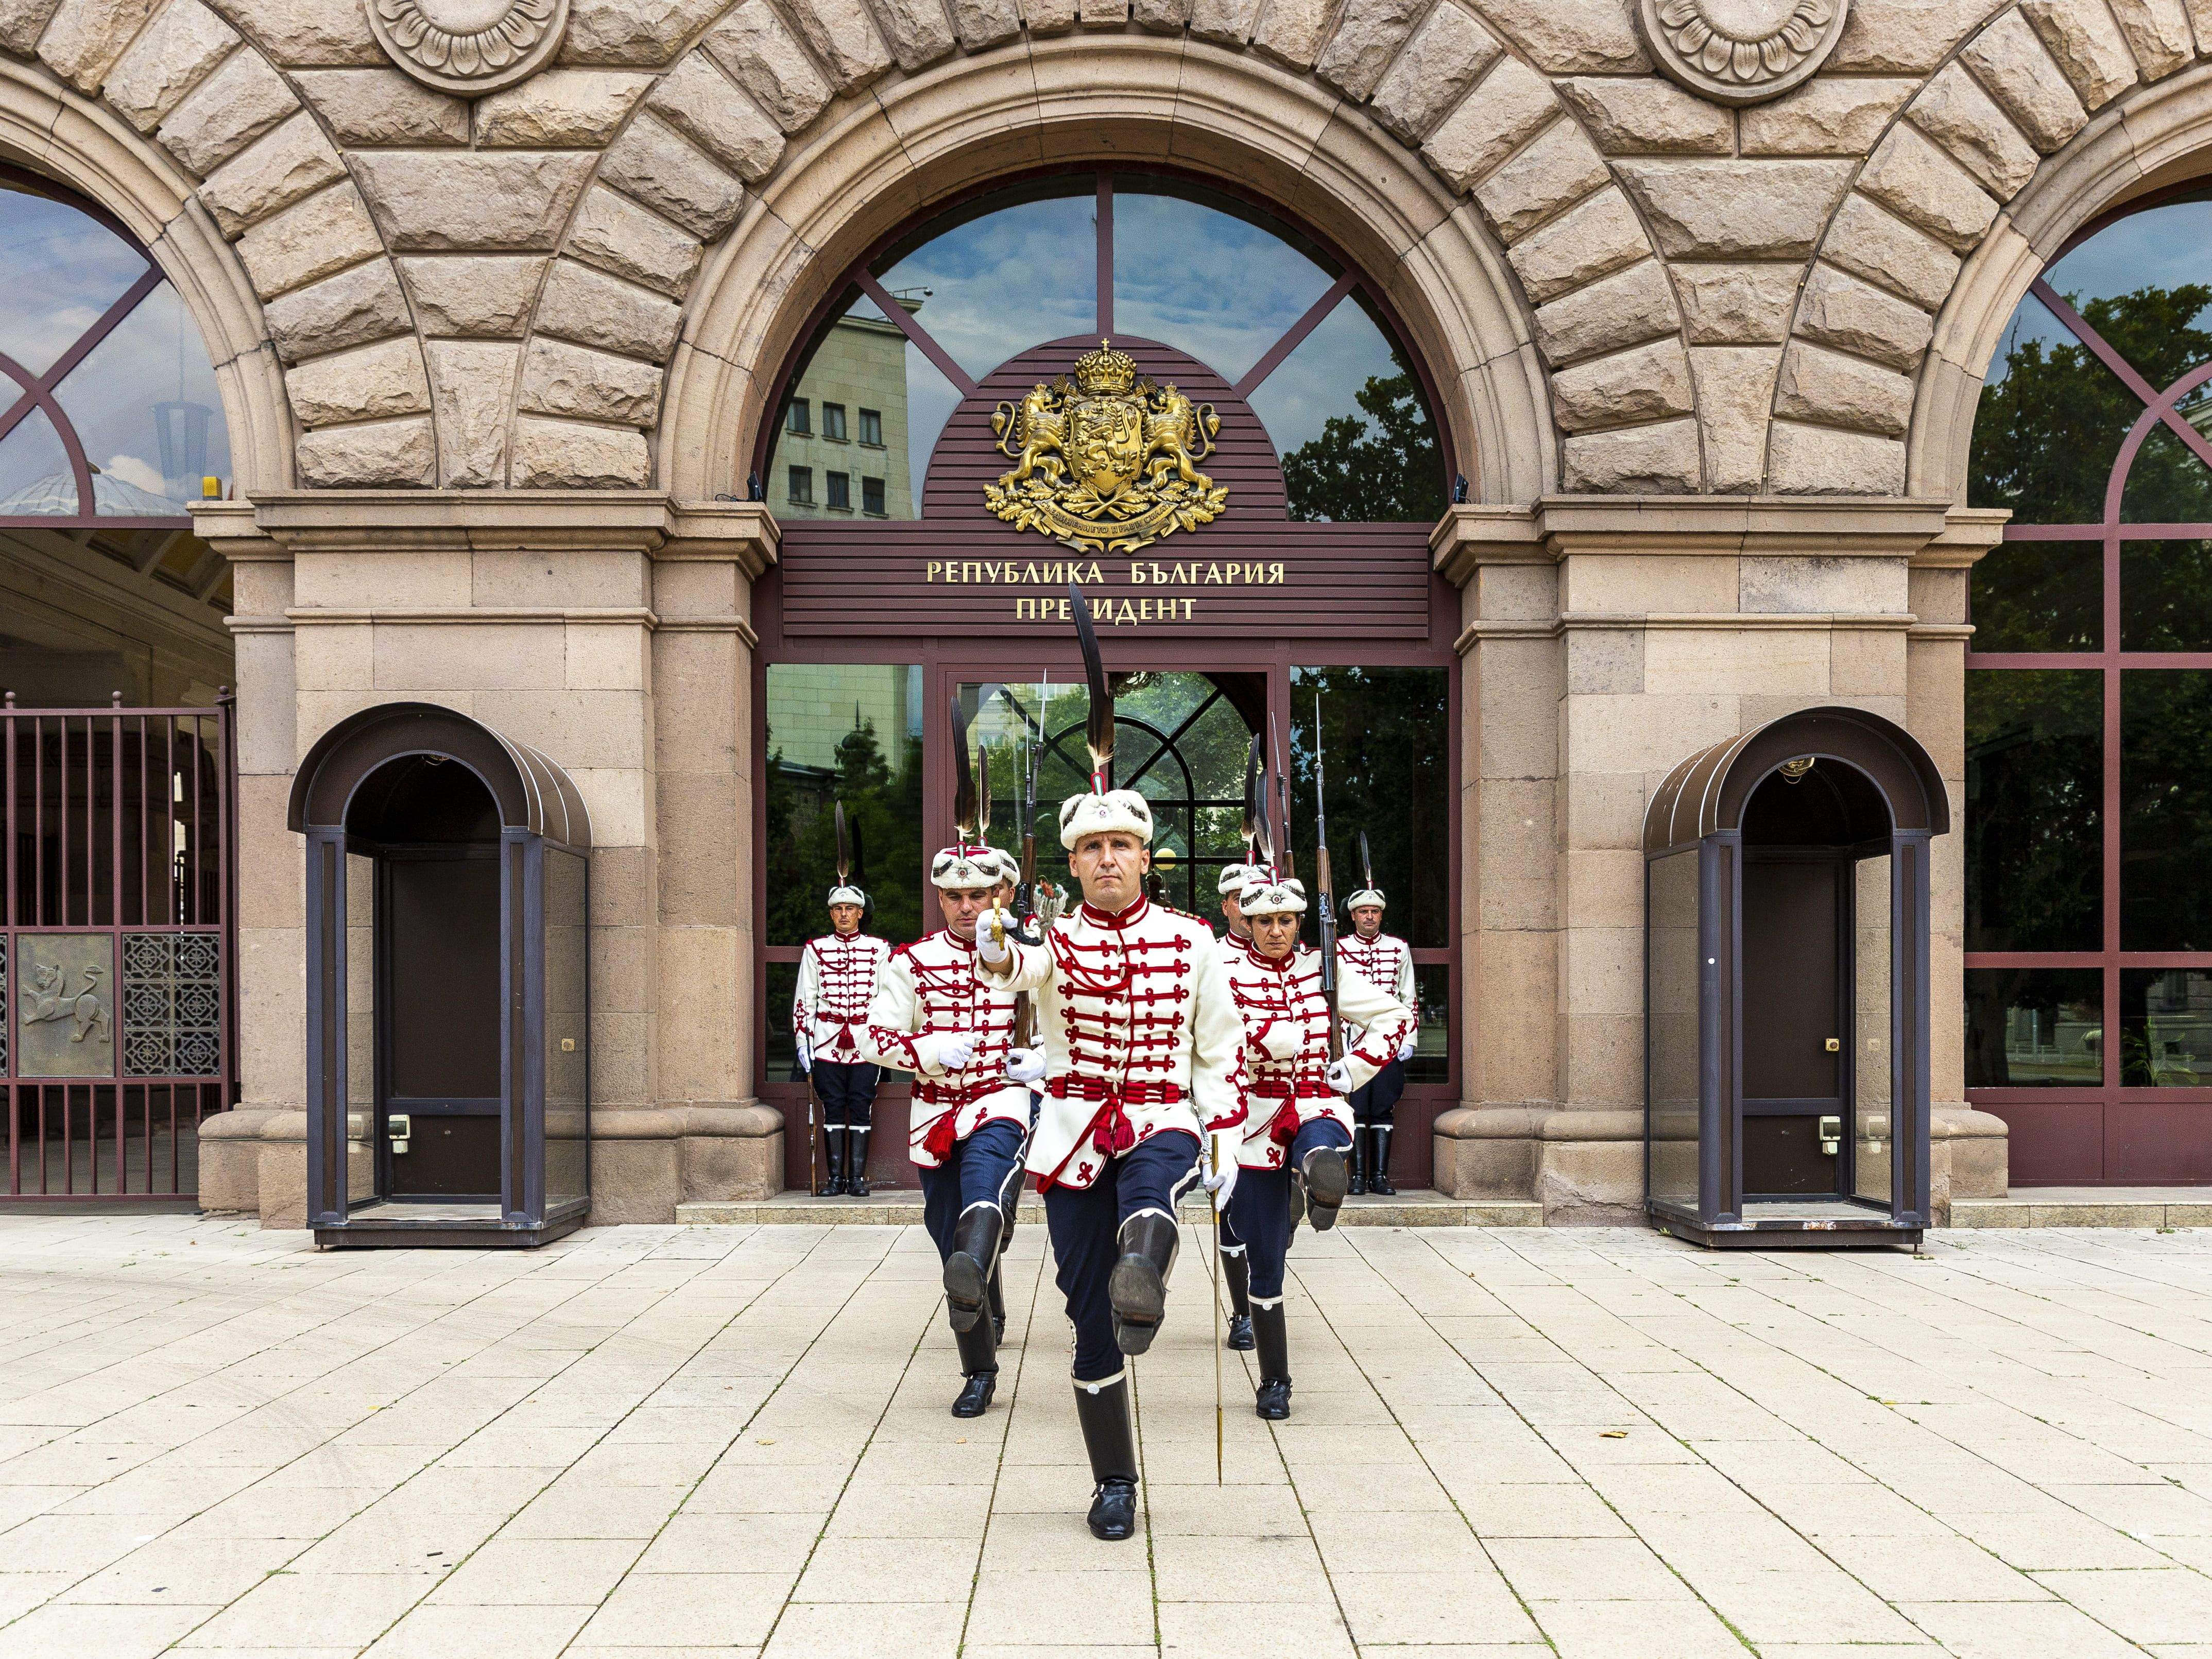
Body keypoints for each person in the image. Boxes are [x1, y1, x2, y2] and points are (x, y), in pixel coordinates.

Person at [975, 786, 1243, 1542]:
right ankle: (1113, 1481)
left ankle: (1145, 1275)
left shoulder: (1194, 942)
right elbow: (1011, 967)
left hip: (1161, 1116)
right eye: (1091, 849)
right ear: (1072, 862)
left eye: (1120, 845)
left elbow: (1219, 1051)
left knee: (1151, 1187)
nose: (1106, 859)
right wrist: (994, 944)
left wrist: (1223, 1136)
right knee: (1087, 1320)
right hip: (1073, 1133)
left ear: (1143, 857)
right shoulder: (1053, 942)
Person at [1219, 867, 1415, 1417]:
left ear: (1300, 921)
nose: (1275, 930)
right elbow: (1202, 1038)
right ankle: (1274, 1379)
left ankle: (1321, 1173)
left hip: (1314, 1098)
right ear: (1247, 921)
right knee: (1264, 1259)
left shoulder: (1325, 968)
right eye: (1264, 920)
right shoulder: (1223, 968)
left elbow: (1395, 1015)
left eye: (1285, 920)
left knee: (1321, 1138)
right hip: (1251, 1113)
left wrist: (1350, 1069)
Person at [862, 844, 1047, 1418]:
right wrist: (928, 1049)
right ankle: (982, 1333)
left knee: (984, 1199)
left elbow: (1065, 1025)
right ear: (940, 898)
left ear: (1002, 894)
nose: (966, 907)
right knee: (950, 1238)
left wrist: (1042, 1059)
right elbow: (873, 1037)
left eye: (978, 894)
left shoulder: (1034, 955)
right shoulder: (909, 963)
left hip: (1003, 1100)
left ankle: (977, 1375)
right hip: (937, 1112)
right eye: (954, 896)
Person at [793, 881, 891, 1195]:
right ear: (832, 915)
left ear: (861, 913)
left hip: (864, 1040)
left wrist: (882, 1036)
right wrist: (802, 1041)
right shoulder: (816, 950)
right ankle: (836, 1179)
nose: (844, 915)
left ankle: (858, 1179)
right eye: (838, 910)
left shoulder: (879, 949)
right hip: (826, 1039)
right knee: (832, 1105)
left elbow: (887, 998)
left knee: (862, 1104)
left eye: (850, 909)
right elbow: (804, 998)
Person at [1337, 883, 1417, 1195]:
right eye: (1363, 912)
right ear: (1354, 916)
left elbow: (1408, 996)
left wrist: (1408, 1037)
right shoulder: (1340, 947)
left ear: (1381, 916)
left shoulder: (1399, 948)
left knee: (1383, 1107)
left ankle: (1379, 1177)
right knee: (1356, 1107)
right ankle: (1357, 1176)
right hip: (1353, 1040)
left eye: (1374, 912)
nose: (1369, 917)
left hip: (1389, 1040)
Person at [1211, 859, 1257, 1353]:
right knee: (1230, 1206)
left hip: (1280, 1099)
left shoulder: (1294, 955)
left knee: (1275, 1215)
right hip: (1227, 1095)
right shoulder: (1210, 957)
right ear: (1226, 905)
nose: (1251, 911)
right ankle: (1243, 1310)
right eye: (1242, 902)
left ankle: (1264, 1284)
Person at [1216, 861, 1253, 940]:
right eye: (1238, 899)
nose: (1246, 907)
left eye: (1254, 898)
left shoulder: (1281, 952)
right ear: (1225, 908)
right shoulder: (1213, 951)